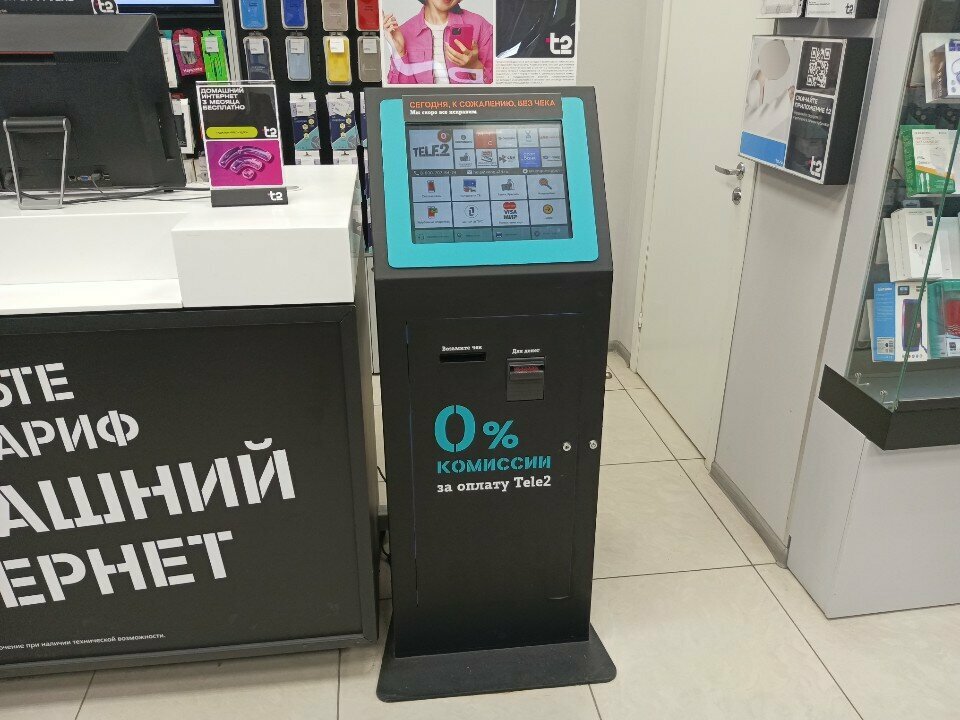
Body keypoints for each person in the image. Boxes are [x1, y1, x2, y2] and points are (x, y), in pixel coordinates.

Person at [383, 0, 493, 84]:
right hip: (425, 107)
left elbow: (497, 90)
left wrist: (474, 66)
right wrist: (399, 52)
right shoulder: (404, 33)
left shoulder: (480, 26)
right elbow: (401, 96)